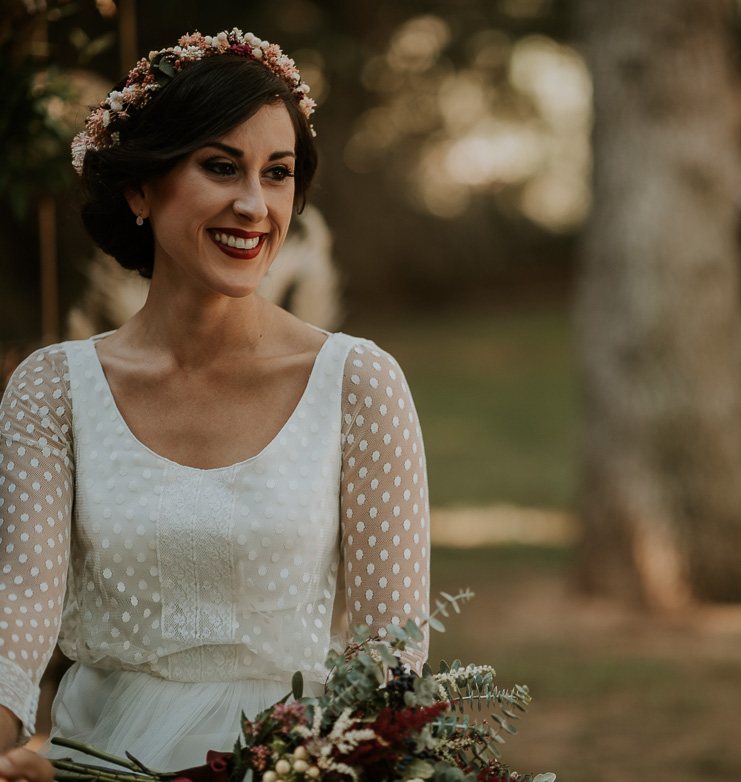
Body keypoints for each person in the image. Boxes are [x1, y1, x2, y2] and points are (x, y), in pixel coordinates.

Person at [0, 29, 430, 779]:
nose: (253, 204)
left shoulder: (358, 383)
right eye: (220, 167)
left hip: (298, 764)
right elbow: (16, 625)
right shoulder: (52, 390)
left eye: (278, 173)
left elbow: (390, 657)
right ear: (140, 187)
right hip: (99, 764)